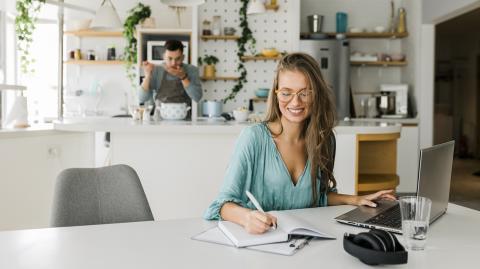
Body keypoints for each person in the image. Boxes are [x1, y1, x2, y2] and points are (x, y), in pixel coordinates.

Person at [204, 53, 395, 234]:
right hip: (260, 242)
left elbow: (318, 198)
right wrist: (247, 218)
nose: (295, 102)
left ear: (316, 94)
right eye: (286, 93)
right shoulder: (254, 138)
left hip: (304, 242)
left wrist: (355, 199)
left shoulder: (324, 140)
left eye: (305, 93)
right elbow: (221, 205)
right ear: (276, 93)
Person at [139, 39, 202, 114]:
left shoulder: (192, 70)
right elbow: (142, 98)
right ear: (164, 57)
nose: (173, 63)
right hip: (159, 121)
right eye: (170, 58)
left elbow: (197, 97)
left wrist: (183, 77)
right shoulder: (156, 70)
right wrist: (148, 75)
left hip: (184, 121)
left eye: (177, 59)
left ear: (183, 57)